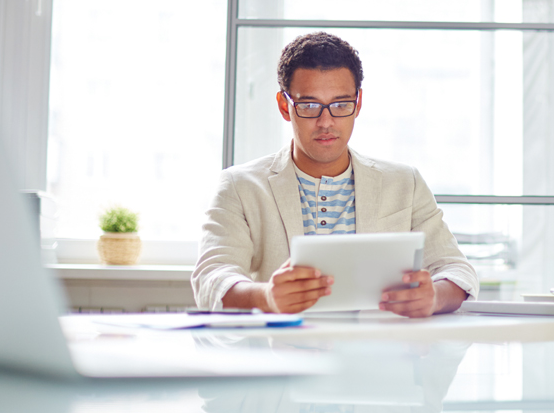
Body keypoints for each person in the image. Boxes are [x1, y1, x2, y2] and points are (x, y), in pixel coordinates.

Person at [192, 32, 478, 318]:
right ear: (284, 106)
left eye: (341, 105)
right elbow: (211, 277)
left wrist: (434, 298)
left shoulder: (405, 183)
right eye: (309, 106)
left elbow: (457, 270)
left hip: (380, 356)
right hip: (281, 355)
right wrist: (266, 296)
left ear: (359, 103)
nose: (326, 122)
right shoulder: (240, 186)